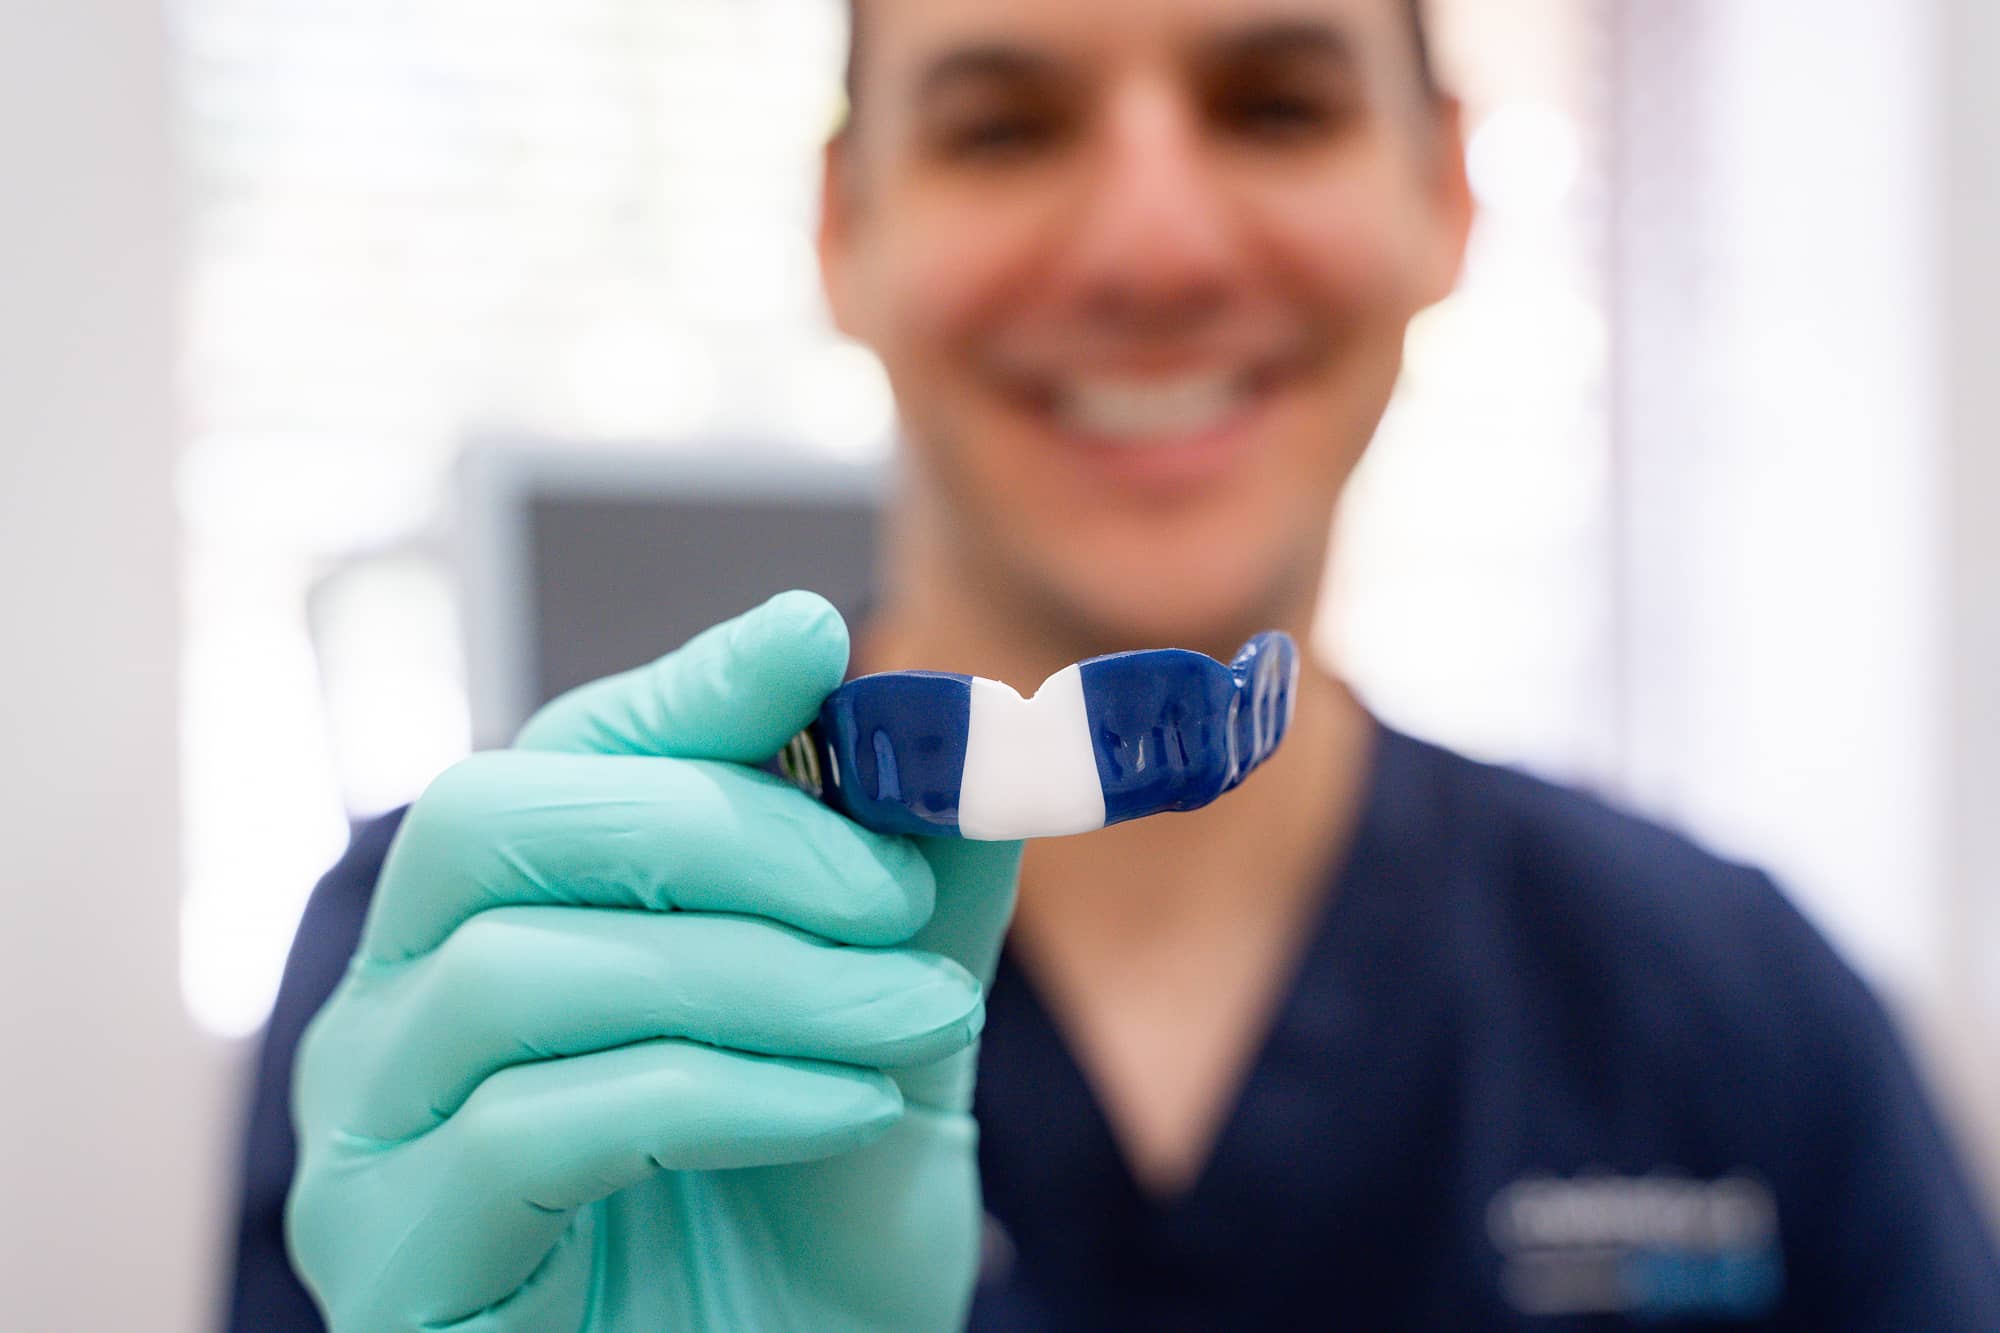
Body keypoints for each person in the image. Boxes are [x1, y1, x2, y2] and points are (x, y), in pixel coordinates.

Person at [229, 0, 2000, 1328]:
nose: (1154, 245)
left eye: (1275, 104)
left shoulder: (1751, 1021)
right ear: (845, 229)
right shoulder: (497, 998)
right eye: (1005, 125)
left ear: (1445, 195)